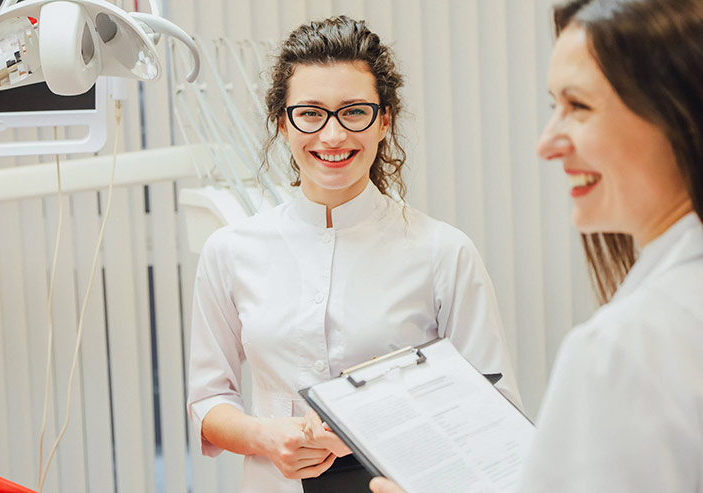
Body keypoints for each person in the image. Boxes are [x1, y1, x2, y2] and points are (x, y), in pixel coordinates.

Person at [370, 0, 703, 491]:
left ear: (677, 114)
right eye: (555, 107)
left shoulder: (622, 349)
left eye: (580, 106)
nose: (546, 143)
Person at [186, 15, 521, 493]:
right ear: (283, 123)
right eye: (310, 113)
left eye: (354, 111)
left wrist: (379, 422)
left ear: (384, 120)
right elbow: (208, 399)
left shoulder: (443, 251)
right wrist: (266, 436)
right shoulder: (231, 251)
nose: (333, 136)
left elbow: (495, 405)